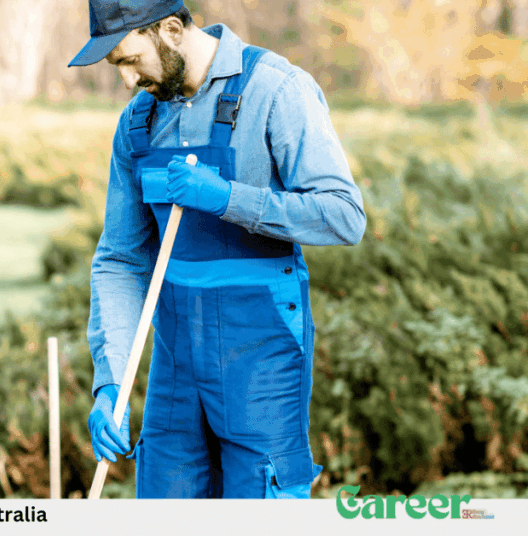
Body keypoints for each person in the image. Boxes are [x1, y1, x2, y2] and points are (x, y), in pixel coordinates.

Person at [68, 0, 367, 498]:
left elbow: (344, 216)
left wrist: (229, 199)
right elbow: (121, 260)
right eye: (117, 66)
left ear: (170, 29)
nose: (127, 81)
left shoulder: (276, 90)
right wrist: (111, 382)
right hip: (175, 364)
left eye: (130, 60)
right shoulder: (138, 123)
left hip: (261, 358)